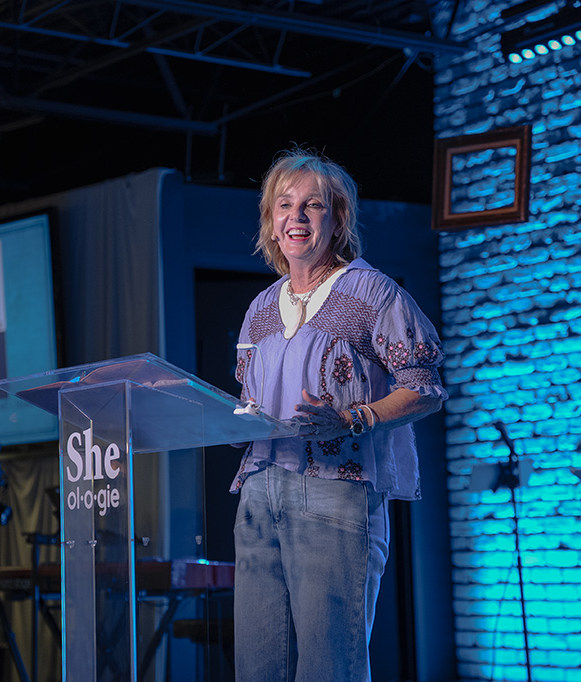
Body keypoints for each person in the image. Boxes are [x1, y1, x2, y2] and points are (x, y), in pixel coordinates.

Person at [231, 148, 448, 682]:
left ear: (338, 218)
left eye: (313, 205)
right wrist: (230, 420)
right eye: (284, 205)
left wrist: (354, 418)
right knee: (257, 668)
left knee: (331, 666)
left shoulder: (372, 292)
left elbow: (424, 388)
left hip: (334, 489)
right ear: (271, 221)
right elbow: (251, 397)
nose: (297, 217)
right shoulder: (260, 309)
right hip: (258, 493)